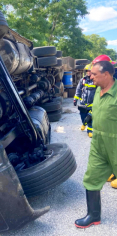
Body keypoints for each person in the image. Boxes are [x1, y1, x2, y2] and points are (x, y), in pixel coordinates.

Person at [75, 60, 116, 228]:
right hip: (98, 145)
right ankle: (93, 216)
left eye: (94, 74)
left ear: (106, 74)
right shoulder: (98, 90)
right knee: (91, 178)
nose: (90, 76)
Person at [73, 63, 95, 138]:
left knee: (90, 117)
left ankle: (90, 130)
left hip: (92, 104)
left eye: (90, 71)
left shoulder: (95, 80)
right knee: (83, 117)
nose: (88, 72)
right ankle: (84, 123)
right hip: (83, 103)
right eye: (87, 71)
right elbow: (78, 90)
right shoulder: (83, 80)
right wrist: (75, 99)